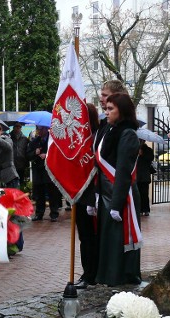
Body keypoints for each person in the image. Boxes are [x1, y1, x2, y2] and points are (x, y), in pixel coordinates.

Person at [93, 93, 142, 287]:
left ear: (122, 111)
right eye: (105, 109)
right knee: (109, 240)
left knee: (119, 240)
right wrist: (97, 192)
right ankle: (107, 275)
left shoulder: (128, 133)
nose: (106, 112)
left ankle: (122, 276)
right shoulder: (109, 130)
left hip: (121, 196)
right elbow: (99, 165)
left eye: (111, 109)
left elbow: (123, 170)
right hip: (106, 193)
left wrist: (116, 203)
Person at [73, 103, 101, 290]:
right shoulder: (77, 138)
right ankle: (87, 272)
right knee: (84, 237)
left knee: (93, 237)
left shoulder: (97, 137)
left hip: (94, 193)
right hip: (80, 194)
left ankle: (93, 273)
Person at [27, 126, 61, 222]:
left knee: (52, 192)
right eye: (38, 129)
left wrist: (47, 155)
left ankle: (54, 213)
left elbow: (58, 153)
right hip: (38, 171)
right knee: (39, 193)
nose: (39, 131)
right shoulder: (34, 142)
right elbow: (28, 155)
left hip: (50, 170)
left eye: (41, 129)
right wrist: (35, 152)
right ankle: (39, 213)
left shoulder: (53, 140)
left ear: (46, 129)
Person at [136, 140, 154, 216]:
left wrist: (142, 154)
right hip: (137, 175)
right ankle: (139, 209)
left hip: (145, 176)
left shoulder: (148, 150)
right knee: (137, 194)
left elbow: (150, 158)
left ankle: (146, 209)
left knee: (144, 193)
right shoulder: (135, 148)